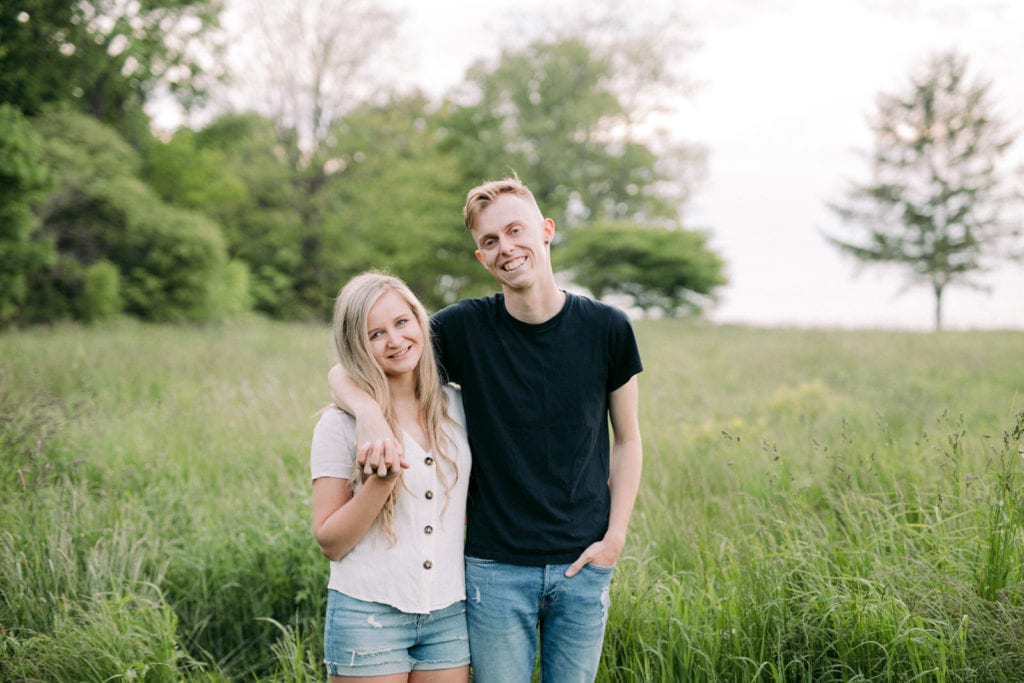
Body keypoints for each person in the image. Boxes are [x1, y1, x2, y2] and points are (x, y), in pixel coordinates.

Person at [330, 176, 644, 682]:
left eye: (516, 231)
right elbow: (354, 365)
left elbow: (628, 438)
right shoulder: (462, 329)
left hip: (585, 564)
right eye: (490, 241)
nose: (506, 248)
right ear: (481, 257)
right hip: (494, 569)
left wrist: (615, 538)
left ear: (546, 231)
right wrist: (368, 415)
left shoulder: (608, 328)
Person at [310, 271, 472, 682]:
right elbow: (331, 542)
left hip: (449, 613)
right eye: (375, 334)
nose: (395, 341)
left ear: (420, 321)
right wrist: (379, 482)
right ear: (357, 346)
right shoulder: (339, 424)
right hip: (368, 614)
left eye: (402, 322)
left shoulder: (459, 407)